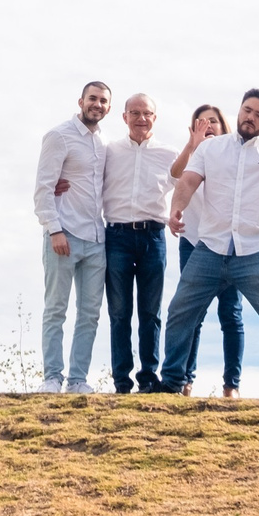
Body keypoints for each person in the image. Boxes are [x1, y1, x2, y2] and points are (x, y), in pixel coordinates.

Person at [149, 90, 259, 396]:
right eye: (247, 110)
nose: (250, 117)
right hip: (211, 248)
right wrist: (177, 207)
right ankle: (173, 382)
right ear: (239, 111)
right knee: (180, 310)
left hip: (256, 252)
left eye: (258, 114)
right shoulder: (211, 148)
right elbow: (187, 181)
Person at [32, 81, 111, 392]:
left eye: (104, 101)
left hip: (96, 238)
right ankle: (52, 377)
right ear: (81, 101)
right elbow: (42, 187)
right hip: (63, 235)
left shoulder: (105, 142)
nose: (98, 104)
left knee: (90, 314)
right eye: (93, 98)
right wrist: (54, 229)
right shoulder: (59, 135)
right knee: (55, 308)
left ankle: (78, 380)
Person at [167, 102, 246, 396]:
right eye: (200, 122)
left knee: (231, 315)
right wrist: (193, 145)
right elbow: (176, 174)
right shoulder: (192, 154)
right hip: (193, 243)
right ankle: (185, 379)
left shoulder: (236, 154)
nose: (207, 126)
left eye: (213, 121)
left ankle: (231, 385)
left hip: (229, 246)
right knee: (192, 314)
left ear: (225, 126)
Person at [99, 93, 176, 394]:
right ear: (124, 117)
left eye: (147, 113)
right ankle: (121, 381)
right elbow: (88, 177)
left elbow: (191, 187)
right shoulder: (109, 151)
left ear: (155, 118)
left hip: (154, 236)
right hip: (116, 236)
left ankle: (148, 377)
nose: (141, 118)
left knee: (151, 311)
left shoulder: (170, 154)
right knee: (119, 311)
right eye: (135, 113)